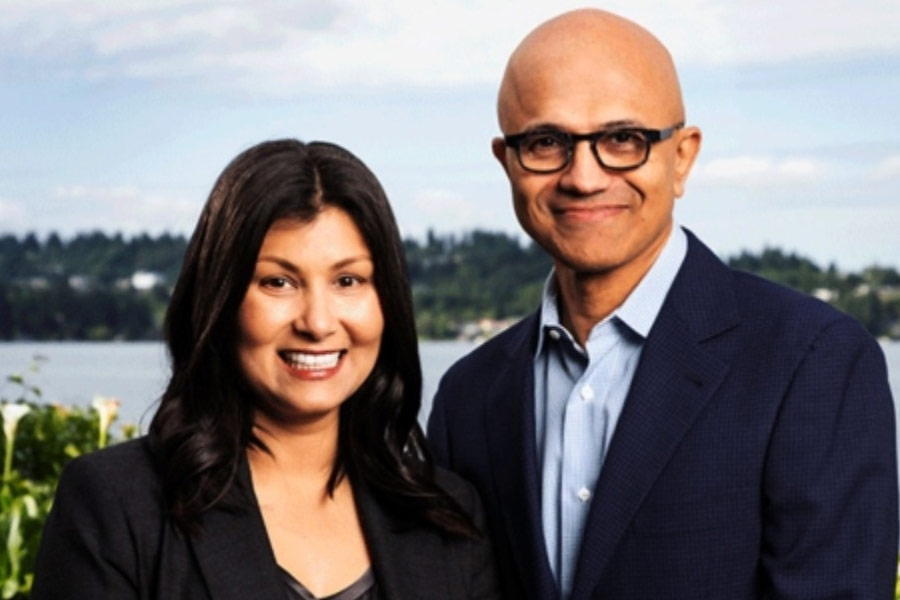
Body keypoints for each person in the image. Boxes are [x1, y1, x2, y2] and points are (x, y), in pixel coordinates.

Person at [427, 8, 897, 599]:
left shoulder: (813, 362)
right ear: (508, 162)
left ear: (682, 157)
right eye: (547, 143)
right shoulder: (467, 397)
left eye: (622, 139)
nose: (585, 177)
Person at [33, 139, 500, 600]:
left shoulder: (449, 516)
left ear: (387, 302)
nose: (317, 322)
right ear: (220, 299)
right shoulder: (115, 505)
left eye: (348, 281)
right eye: (278, 282)